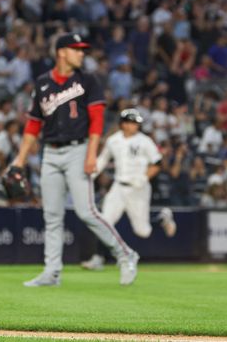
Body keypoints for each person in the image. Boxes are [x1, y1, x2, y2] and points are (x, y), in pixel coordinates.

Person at [9, 34, 139, 288]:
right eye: (76, 49)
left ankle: (125, 254)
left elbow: (97, 120)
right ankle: (52, 272)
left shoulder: (88, 80)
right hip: (50, 152)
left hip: (78, 149)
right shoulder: (43, 82)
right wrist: (19, 160)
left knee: (86, 211)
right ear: (61, 53)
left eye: (82, 50)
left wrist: (92, 153)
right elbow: (33, 125)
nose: (81, 53)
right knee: (52, 216)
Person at [81, 109, 177, 271]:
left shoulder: (144, 141)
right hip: (119, 186)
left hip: (138, 188)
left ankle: (161, 218)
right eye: (132, 122)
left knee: (143, 231)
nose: (135, 126)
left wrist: (144, 178)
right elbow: (102, 160)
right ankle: (98, 258)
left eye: (136, 123)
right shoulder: (113, 140)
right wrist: (89, 178)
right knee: (105, 222)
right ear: (123, 124)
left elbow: (157, 163)